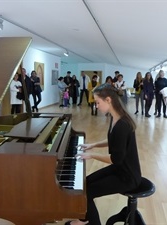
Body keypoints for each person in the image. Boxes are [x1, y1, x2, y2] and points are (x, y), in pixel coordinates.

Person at [65, 83, 142, 225]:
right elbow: (113, 140)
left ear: (108, 100)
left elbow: (116, 159)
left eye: (97, 102)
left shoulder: (122, 125)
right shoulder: (117, 118)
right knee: (85, 184)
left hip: (128, 176)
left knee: (88, 192)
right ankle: (84, 219)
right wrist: (93, 145)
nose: (96, 106)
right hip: (121, 169)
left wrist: (92, 155)